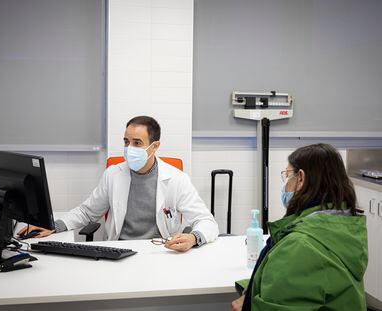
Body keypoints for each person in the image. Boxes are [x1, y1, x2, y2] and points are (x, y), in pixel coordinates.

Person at [18, 116, 219, 252]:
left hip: (161, 251)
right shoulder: (114, 174)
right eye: (126, 141)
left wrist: (194, 238)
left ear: (154, 146)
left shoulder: (176, 179)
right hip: (120, 251)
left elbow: (207, 222)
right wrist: (52, 226)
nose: (129, 148)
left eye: (137, 143)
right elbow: (88, 212)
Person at [232, 143, 367, 311]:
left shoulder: (300, 246)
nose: (285, 185)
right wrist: (251, 290)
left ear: (301, 178)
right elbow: (308, 287)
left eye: (288, 176)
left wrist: (248, 305)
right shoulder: (342, 227)